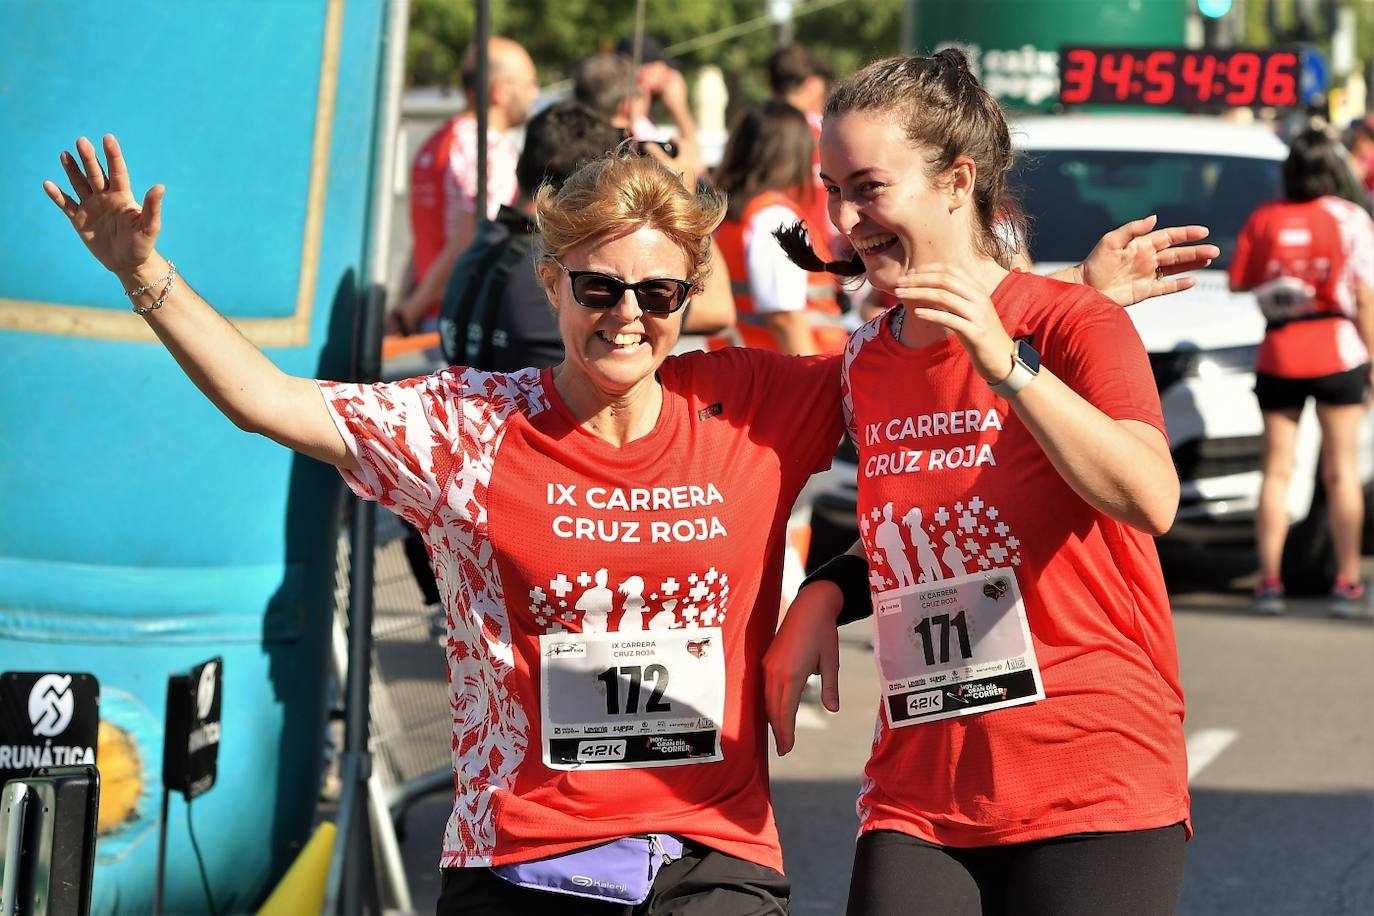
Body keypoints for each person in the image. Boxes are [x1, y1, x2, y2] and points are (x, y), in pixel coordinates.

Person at [46, 129, 1208, 914]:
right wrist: (145, 275)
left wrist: (1076, 303)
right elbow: (268, 401)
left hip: (713, 858)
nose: (628, 317)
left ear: (688, 297)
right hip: (523, 858)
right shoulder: (469, 425)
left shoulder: (755, 400)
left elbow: (943, 400)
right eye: (598, 289)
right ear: (551, 285)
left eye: (657, 294)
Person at [765, 50, 1205, 916]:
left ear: (957, 180)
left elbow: (1150, 498)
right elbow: (926, 529)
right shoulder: (865, 362)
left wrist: (1010, 367)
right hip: (924, 786)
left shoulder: (1075, 324)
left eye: (868, 186)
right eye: (832, 189)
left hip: (1092, 775)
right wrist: (821, 593)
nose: (847, 217)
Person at [1229, 128, 1374, 618]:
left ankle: (1268, 583)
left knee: (1277, 469)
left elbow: (1240, 280)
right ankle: (1348, 583)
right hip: (1338, 352)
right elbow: (1367, 298)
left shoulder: (1265, 218)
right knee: (1342, 471)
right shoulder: (1350, 218)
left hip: (1280, 352)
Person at [389, 36, 540, 337]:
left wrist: (407, 307)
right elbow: (473, 236)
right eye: (529, 83)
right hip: (459, 317)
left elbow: (423, 239)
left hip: (431, 315)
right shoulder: (488, 150)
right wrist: (409, 312)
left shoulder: (440, 140)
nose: (534, 94)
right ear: (500, 91)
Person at [711, 101, 846, 355]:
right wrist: (814, 381)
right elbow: (785, 318)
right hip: (791, 377)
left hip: (752, 373)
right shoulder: (773, 218)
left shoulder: (732, 217)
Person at [766, 44, 835, 254]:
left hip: (769, 247)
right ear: (811, 83)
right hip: (820, 252)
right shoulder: (826, 130)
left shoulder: (757, 129)